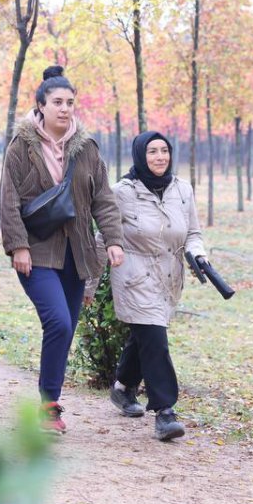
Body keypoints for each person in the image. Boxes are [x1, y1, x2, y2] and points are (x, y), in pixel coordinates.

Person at [0, 65, 125, 436]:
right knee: (58, 321)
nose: (64, 109)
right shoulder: (21, 146)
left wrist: (113, 240)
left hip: (77, 254)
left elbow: (103, 198)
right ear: (40, 106)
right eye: (57, 102)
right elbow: (8, 201)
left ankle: (46, 403)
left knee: (65, 331)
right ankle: (49, 407)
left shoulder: (86, 148)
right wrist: (17, 246)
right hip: (36, 252)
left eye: (70, 102)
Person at [101, 131, 206, 441]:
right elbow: (103, 236)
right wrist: (89, 284)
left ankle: (122, 387)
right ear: (139, 156)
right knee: (155, 337)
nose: (160, 157)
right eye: (152, 152)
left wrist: (198, 254)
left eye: (164, 151)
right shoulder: (122, 192)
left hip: (168, 277)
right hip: (133, 274)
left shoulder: (182, 190)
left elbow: (194, 233)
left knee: (146, 335)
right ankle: (165, 411)